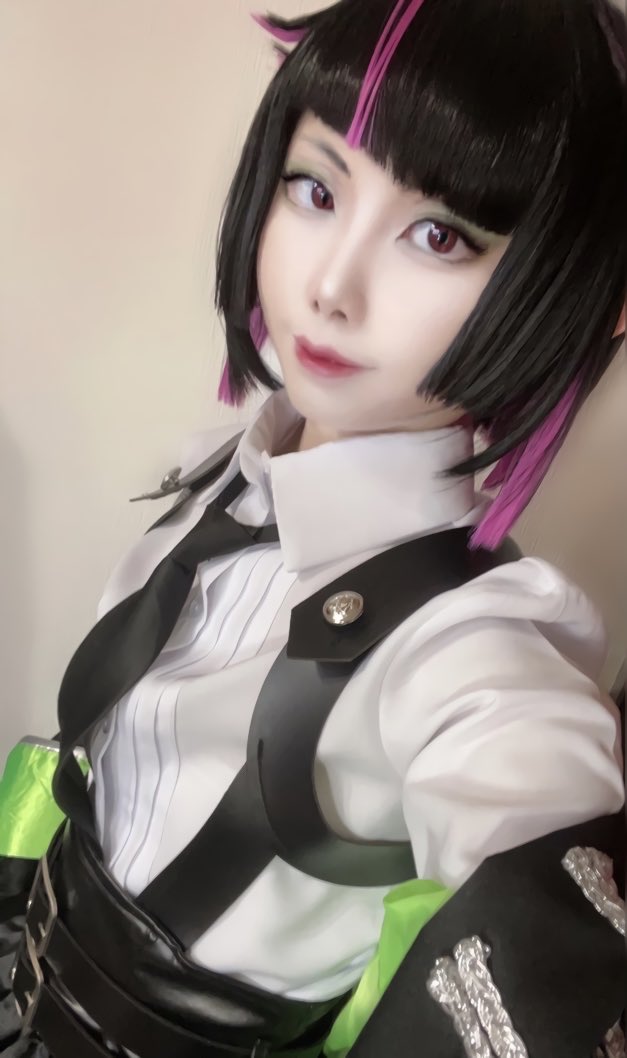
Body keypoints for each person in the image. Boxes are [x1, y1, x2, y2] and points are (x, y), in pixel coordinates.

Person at [1, 1, 625, 1055]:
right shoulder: (228, 477)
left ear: (579, 293)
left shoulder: (475, 656)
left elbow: (543, 885)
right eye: (317, 189)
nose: (331, 287)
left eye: (439, 235)